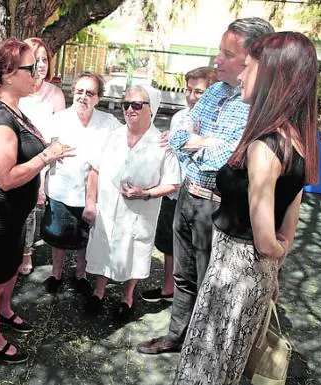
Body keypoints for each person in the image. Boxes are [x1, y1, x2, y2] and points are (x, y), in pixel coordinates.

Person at [173, 31, 319, 385]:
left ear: (270, 75)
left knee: (209, 367)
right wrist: (273, 265)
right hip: (250, 275)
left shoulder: (263, 147)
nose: (240, 74)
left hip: (233, 273)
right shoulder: (294, 139)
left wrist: (275, 252)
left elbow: (268, 237)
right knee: (228, 366)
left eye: (248, 67)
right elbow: (291, 212)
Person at [138, 17, 274, 355]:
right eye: (219, 52)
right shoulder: (213, 91)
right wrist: (202, 140)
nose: (218, 60)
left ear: (254, 59)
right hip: (188, 194)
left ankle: (202, 351)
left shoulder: (255, 104)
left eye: (227, 54)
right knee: (183, 276)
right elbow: (182, 134)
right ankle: (176, 336)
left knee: (209, 282)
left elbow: (226, 157)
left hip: (215, 205)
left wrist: (199, 141)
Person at [0, 38, 75, 363]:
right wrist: (46, 155)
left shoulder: (15, 108)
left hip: (17, 211)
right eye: (30, 68)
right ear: (6, 74)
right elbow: (5, 177)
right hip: (0, 213)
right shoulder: (1, 118)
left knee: (12, 267)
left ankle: (5, 311)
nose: (37, 73)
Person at [83, 87, 181, 323]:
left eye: (137, 105)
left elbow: (173, 183)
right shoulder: (112, 135)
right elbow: (94, 169)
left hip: (140, 213)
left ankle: (127, 297)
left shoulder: (162, 144)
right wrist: (90, 203)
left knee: (135, 251)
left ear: (151, 108)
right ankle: (99, 291)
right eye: (126, 104)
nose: (129, 109)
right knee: (102, 248)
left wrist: (145, 193)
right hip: (107, 209)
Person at [141, 66, 217, 304]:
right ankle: (168, 288)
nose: (192, 96)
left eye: (199, 91)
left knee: (202, 249)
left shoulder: (218, 121)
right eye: (189, 90)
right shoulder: (178, 118)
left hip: (202, 195)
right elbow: (173, 149)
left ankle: (200, 299)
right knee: (169, 244)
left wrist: (193, 142)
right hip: (174, 192)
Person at [40, 72, 121, 296]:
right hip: (61, 189)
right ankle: (56, 274)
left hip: (93, 194)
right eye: (79, 91)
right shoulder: (58, 120)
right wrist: (40, 187)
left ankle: (81, 275)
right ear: (72, 93)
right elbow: (45, 155)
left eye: (90, 93)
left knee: (86, 238)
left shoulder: (109, 123)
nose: (83, 96)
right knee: (58, 236)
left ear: (98, 98)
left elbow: (123, 148)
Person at [17, 37, 67, 275]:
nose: (41, 64)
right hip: (17, 158)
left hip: (45, 159)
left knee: (31, 208)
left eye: (44, 59)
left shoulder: (55, 93)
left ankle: (26, 252)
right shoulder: (17, 90)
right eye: (36, 60)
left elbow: (59, 134)